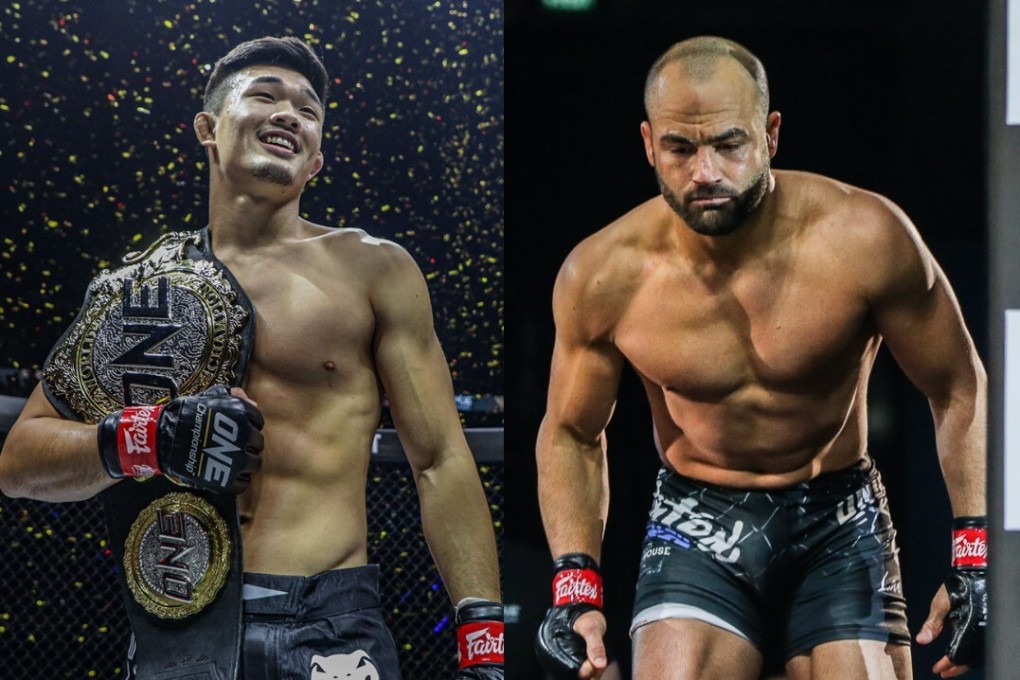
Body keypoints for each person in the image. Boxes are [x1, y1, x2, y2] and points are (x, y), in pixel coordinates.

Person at [0, 36, 503, 679]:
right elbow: (19, 462)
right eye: (265, 94)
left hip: (329, 623)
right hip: (177, 625)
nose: (290, 113)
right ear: (208, 128)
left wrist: (483, 641)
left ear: (317, 159)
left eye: (309, 110)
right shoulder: (140, 288)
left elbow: (440, 459)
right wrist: (148, 437)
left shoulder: (373, 269)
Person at [534, 36, 986, 680]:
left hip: (840, 514)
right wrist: (574, 586)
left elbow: (960, 387)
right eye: (681, 148)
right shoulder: (602, 274)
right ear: (648, 144)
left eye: (728, 143)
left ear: (770, 134)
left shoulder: (865, 238)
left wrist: (977, 556)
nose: (705, 172)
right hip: (698, 520)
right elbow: (571, 432)